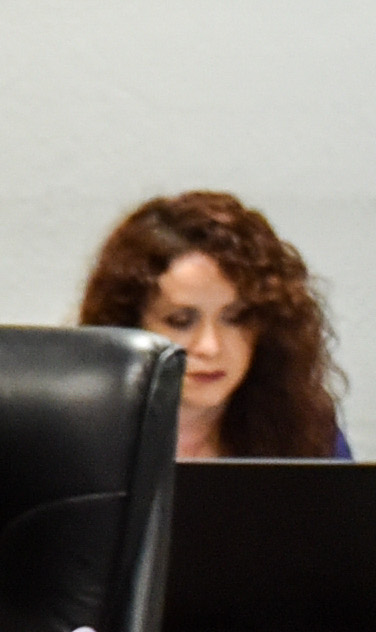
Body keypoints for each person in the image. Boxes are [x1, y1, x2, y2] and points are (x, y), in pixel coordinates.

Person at [81, 189, 352, 460]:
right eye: (180, 321)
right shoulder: (74, 439)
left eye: (236, 319)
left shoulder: (307, 435)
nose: (210, 347)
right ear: (130, 326)